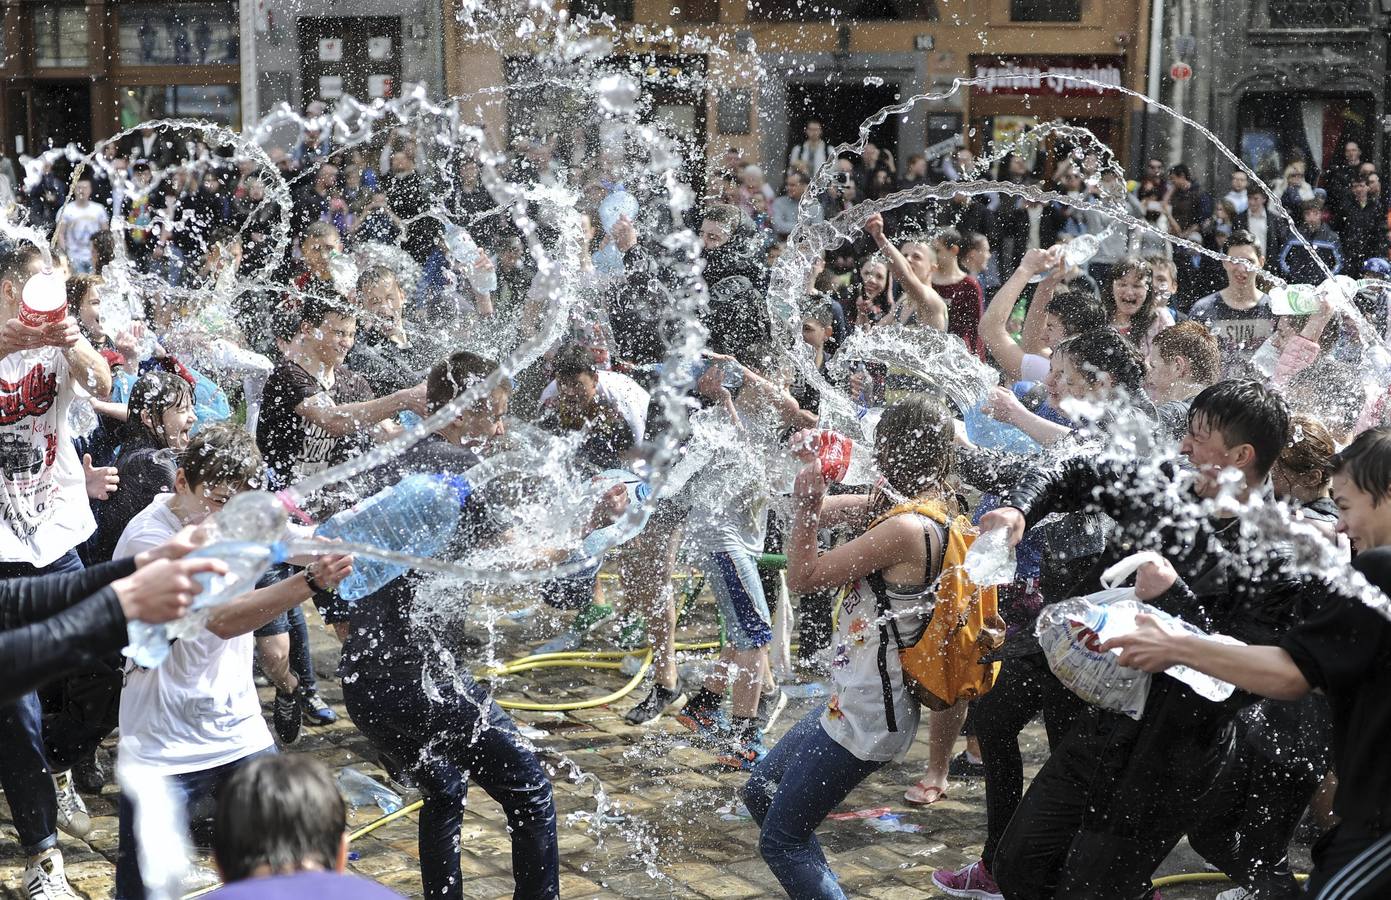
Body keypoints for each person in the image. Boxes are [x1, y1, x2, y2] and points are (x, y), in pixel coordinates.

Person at [983, 380, 1304, 900]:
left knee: (1090, 889)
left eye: (1198, 439)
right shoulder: (1167, 487)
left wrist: (1175, 598)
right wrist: (1021, 509)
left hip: (1174, 753)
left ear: (1240, 456)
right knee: (1019, 864)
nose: (1182, 447)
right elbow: (1078, 466)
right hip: (1102, 725)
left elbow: (1247, 678)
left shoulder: (1278, 553)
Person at [1100, 425, 1391, 898]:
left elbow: (1294, 675)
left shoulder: (1381, 569)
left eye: (1344, 506)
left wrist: (1177, 645)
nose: (1339, 526)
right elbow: (1320, 673)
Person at [340, 350, 584, 900]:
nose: (499, 428)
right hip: (419, 676)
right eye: (491, 414)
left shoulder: (390, 458)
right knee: (531, 790)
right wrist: (593, 526)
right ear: (456, 412)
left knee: (446, 787)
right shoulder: (455, 470)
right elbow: (517, 559)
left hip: (365, 679)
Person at [112, 424, 352, 900]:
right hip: (161, 745)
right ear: (182, 482)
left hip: (240, 732)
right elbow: (220, 620)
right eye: (219, 500)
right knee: (143, 890)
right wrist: (309, 583)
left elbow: (305, 539)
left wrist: (356, 537)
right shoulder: (148, 540)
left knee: (290, 867)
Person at [742, 396, 957, 899]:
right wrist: (806, 486)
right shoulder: (915, 504)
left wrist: (809, 506)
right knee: (762, 792)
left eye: (880, 450)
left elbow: (802, 577)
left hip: (869, 715)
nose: (874, 460)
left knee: (782, 841)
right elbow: (818, 509)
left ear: (892, 451)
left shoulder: (908, 528)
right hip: (851, 698)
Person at [1188, 230, 1275, 376]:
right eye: (1234, 261)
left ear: (1261, 263)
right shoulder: (1202, 310)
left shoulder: (1275, 309)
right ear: (1224, 262)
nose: (1241, 269)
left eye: (1248, 262)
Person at [863, 213, 947, 332]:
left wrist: (880, 237)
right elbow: (870, 337)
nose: (908, 259)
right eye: (905, 256)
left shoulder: (931, 300)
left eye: (917, 257)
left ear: (932, 268)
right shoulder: (903, 301)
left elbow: (905, 275)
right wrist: (862, 313)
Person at [1145, 320, 1222, 439]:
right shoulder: (1221, 410)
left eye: (1154, 366)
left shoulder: (1180, 414)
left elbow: (1138, 429)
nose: (1149, 378)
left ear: (1178, 366)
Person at [1103, 256, 1173, 357]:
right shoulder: (1099, 320)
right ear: (1111, 288)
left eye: (1137, 286)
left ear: (1148, 290)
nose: (1129, 292)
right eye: (1122, 284)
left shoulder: (1160, 320)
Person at [54, 181, 109, 275]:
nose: (81, 190)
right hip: (74, 256)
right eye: (79, 187)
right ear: (74, 189)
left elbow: (105, 233)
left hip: (94, 256)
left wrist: (103, 253)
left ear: (90, 190)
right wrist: (65, 255)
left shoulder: (98, 209)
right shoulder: (66, 210)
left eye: (85, 187)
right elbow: (60, 233)